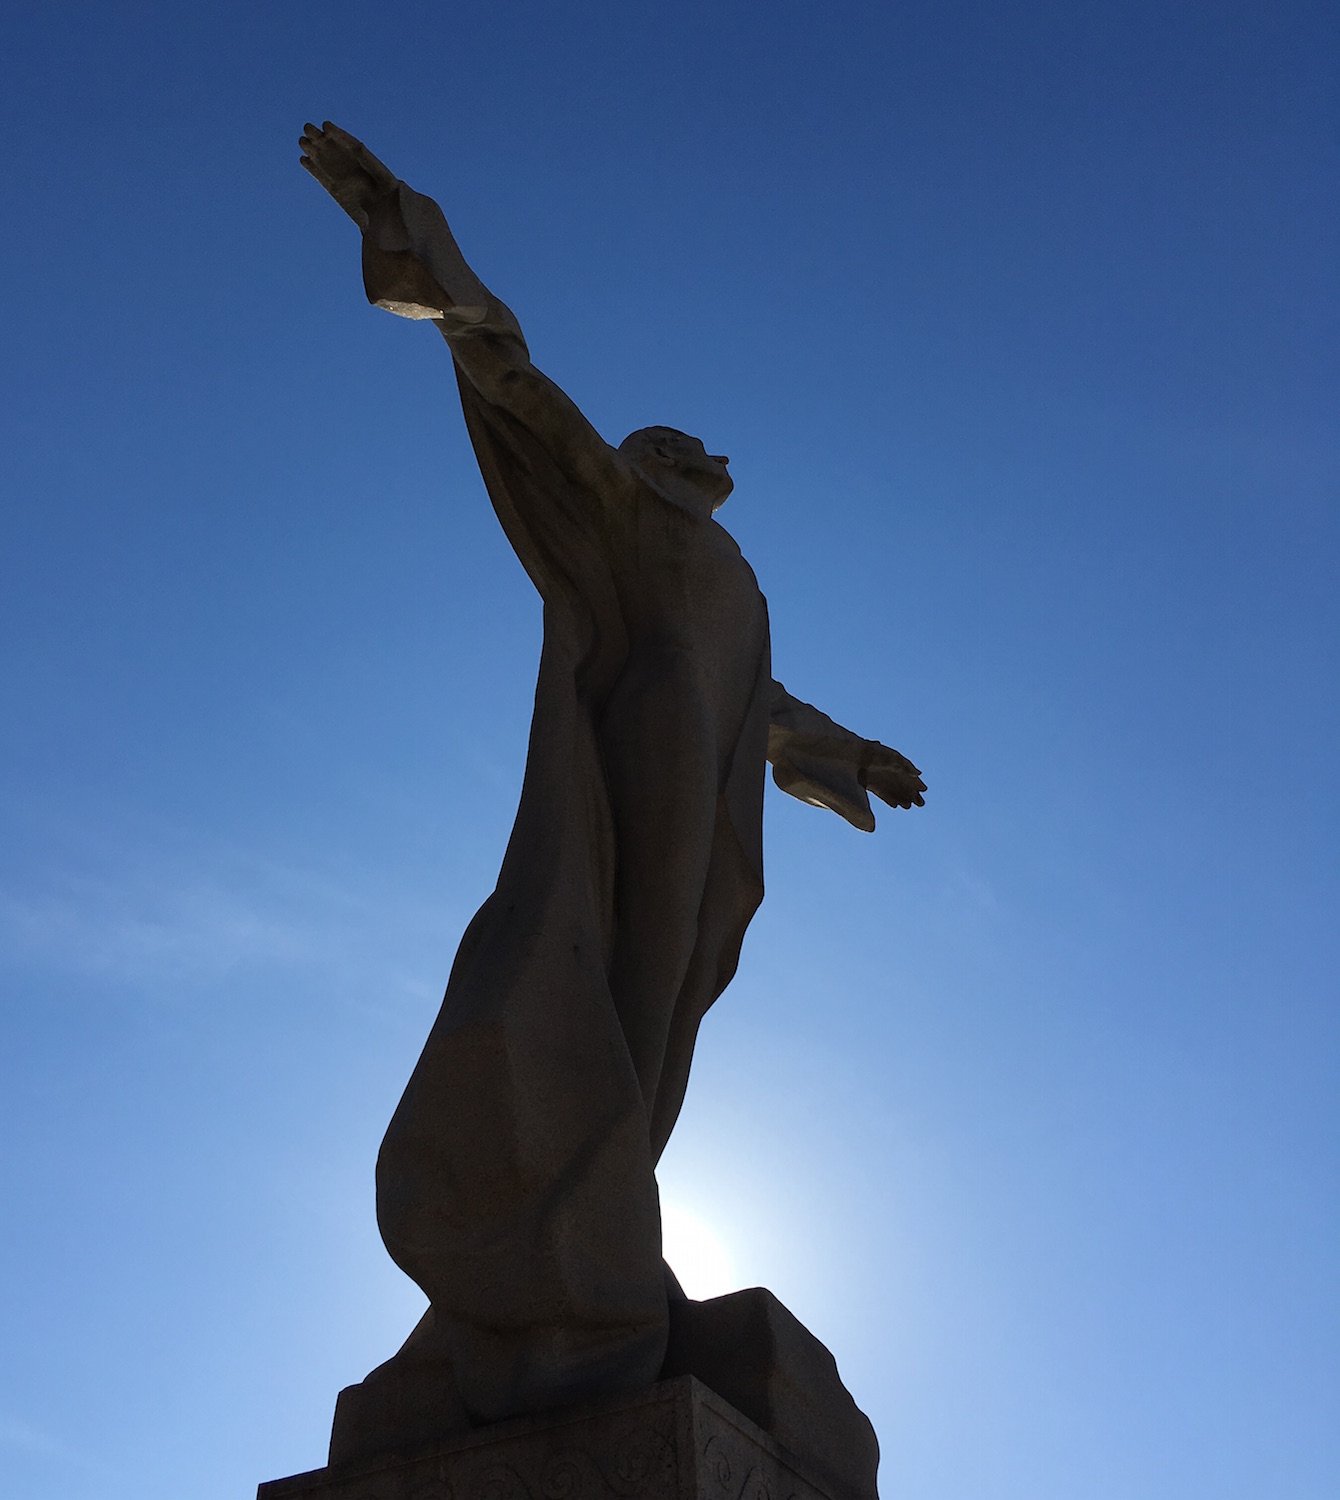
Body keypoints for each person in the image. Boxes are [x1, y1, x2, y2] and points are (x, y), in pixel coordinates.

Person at [299, 124, 924, 1466]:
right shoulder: (634, 518)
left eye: (682, 446)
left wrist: (852, 756)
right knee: (615, 996)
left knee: (669, 1002)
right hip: (638, 759)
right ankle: (555, 1258)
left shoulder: (734, 577)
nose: (684, 452)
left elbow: (762, 709)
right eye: (662, 444)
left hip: (707, 797)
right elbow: (529, 393)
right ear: (649, 466)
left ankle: (593, 1237)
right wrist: (435, 260)